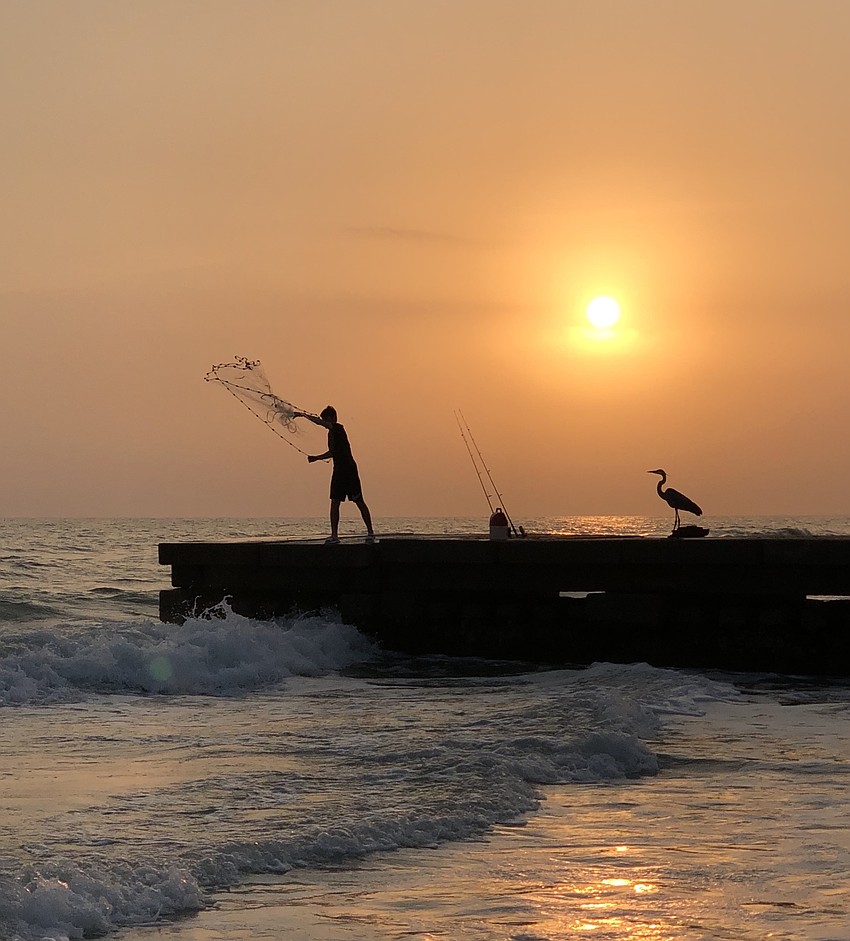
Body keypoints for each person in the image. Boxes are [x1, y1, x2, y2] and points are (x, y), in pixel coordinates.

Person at [295, 405, 375, 544]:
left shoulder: (338, 428)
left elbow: (320, 423)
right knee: (334, 502)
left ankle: (370, 532)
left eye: (326, 420)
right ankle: (334, 535)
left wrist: (303, 415)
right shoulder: (330, 433)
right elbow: (332, 452)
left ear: (333, 417)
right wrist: (317, 458)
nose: (324, 423)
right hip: (338, 471)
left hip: (349, 471)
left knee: (359, 501)